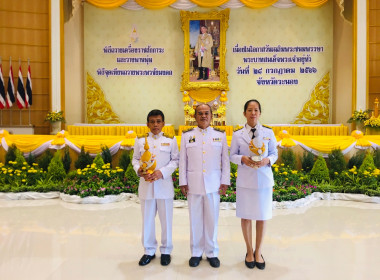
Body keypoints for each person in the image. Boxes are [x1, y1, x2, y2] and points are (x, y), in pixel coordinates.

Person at [179, 104, 230, 268]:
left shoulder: (220, 135)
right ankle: (195, 253)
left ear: (211, 115)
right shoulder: (187, 136)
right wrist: (183, 181)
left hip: (214, 184)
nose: (203, 116)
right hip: (193, 184)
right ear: (195, 117)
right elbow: (182, 161)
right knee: (195, 220)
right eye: (200, 113)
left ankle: (212, 252)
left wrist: (225, 181)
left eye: (206, 113)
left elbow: (225, 161)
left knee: (212, 220)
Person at [229, 99, 278, 270]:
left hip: (263, 180)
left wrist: (267, 160)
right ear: (244, 113)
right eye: (249, 110)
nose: (253, 113)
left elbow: (274, 153)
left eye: (256, 110)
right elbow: (232, 155)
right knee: (246, 216)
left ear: (260, 113)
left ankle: (259, 252)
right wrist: (242, 159)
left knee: (262, 216)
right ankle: (249, 251)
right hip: (245, 180)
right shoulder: (237, 134)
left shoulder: (268, 132)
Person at [132, 109, 179, 266]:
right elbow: (136, 160)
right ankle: (149, 251)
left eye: (158, 121)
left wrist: (162, 172)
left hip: (164, 186)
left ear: (163, 124)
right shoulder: (140, 140)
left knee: (166, 221)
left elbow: (175, 161)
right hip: (146, 186)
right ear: (147, 124)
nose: (155, 125)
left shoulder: (170, 141)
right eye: (152, 122)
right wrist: (139, 170)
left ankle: (166, 251)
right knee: (147, 221)